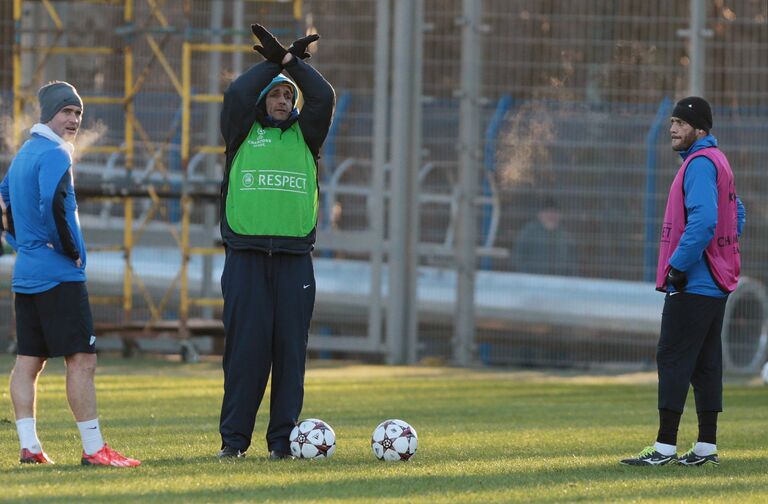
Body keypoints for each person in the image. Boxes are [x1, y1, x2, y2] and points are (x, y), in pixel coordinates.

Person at [0, 81, 140, 467]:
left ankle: (30, 447)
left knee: (29, 362)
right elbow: (56, 205)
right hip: (59, 275)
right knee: (82, 361)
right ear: (48, 113)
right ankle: (95, 450)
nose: (74, 119)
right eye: (67, 111)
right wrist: (72, 251)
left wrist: (19, 242)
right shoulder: (57, 153)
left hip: (26, 273)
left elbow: (4, 201)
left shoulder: (24, 154)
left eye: (78, 112)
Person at [216, 24, 334, 460]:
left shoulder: (308, 135)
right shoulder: (241, 133)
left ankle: (282, 444)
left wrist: (291, 65)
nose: (284, 101)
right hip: (245, 259)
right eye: (275, 95)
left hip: (294, 261)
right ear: (261, 101)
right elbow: (234, 94)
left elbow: (324, 96)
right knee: (245, 356)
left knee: (290, 357)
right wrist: (273, 63)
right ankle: (234, 444)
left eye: (288, 96)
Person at [621, 97, 745, 467]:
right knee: (706, 363)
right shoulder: (717, 160)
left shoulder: (698, 163)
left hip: (695, 282)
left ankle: (663, 449)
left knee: (672, 357)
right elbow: (736, 211)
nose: (672, 128)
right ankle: (706, 448)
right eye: (672, 121)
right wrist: (724, 253)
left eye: (680, 122)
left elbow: (706, 220)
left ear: (700, 129)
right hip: (717, 282)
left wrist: (679, 265)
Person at [512, 197, 574, 276]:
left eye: (554, 212)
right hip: (533, 282)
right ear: (540, 214)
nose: (551, 215)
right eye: (547, 211)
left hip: (559, 283)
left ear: (560, 215)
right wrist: (527, 277)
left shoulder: (565, 236)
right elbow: (518, 257)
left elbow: (572, 263)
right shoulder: (529, 232)